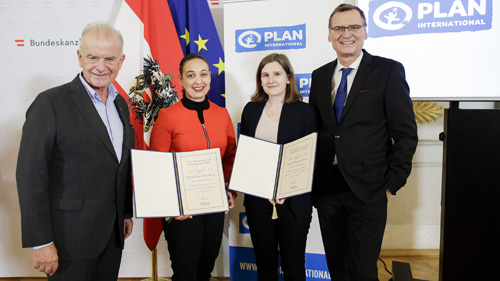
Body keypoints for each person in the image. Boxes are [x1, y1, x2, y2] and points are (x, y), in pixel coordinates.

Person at [16, 22, 134, 280]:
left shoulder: (121, 105)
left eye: (110, 58)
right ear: (79, 57)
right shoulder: (50, 103)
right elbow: (30, 176)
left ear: (121, 61)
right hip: (68, 241)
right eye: (93, 57)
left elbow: (120, 165)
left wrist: (125, 213)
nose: (101, 66)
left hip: (112, 238)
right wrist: (41, 242)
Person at [309, 4, 418, 281]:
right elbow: (316, 131)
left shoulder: (388, 71)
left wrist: (393, 182)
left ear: (365, 32)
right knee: (337, 266)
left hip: (369, 189)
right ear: (330, 35)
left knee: (363, 271)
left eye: (354, 27)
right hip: (327, 188)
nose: (347, 33)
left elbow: (405, 133)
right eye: (339, 28)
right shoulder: (319, 76)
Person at [149, 53, 236, 281]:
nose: (198, 81)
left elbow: (230, 157)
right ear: (180, 79)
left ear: (210, 78)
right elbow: (157, 165)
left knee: (205, 270)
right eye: (191, 75)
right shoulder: (167, 116)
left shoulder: (222, 114)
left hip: (214, 205)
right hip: (182, 210)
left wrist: (229, 190)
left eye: (203, 74)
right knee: (186, 272)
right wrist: (171, 206)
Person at [240, 53, 317, 281]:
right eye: (265, 75)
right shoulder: (250, 110)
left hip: (294, 202)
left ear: (288, 78)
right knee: (265, 266)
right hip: (258, 202)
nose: (270, 79)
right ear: (259, 80)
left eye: (276, 73)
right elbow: (247, 156)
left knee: (294, 267)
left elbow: (308, 158)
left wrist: (288, 189)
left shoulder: (305, 112)